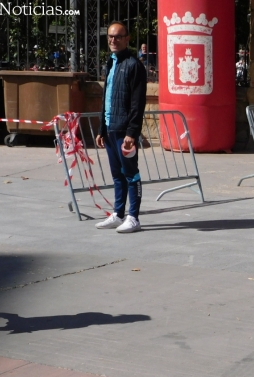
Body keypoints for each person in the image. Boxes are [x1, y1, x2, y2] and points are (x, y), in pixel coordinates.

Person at [95, 21, 148, 233]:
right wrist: (101, 128)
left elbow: (138, 103)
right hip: (110, 129)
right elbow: (106, 98)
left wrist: (132, 133)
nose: (113, 40)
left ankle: (133, 217)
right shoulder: (111, 62)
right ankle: (118, 214)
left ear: (127, 39)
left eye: (118, 36)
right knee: (117, 174)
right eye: (110, 36)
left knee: (130, 173)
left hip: (124, 131)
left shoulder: (134, 66)